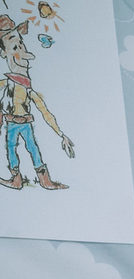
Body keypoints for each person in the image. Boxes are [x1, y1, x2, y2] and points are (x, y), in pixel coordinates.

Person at [0, 14, 73, 190]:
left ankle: (44, 180)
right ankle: (15, 178)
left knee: (33, 148)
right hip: (10, 122)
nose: (20, 51)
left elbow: (44, 111)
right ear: (4, 53)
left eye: (21, 44)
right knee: (11, 149)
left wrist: (60, 134)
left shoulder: (27, 88)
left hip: (25, 123)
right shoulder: (6, 83)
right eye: (14, 46)